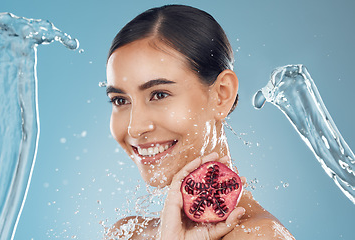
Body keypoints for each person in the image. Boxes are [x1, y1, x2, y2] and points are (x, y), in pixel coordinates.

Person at [105, 4, 295, 240]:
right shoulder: (127, 233)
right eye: (120, 100)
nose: (135, 127)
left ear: (221, 95)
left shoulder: (260, 236)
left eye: (160, 95)